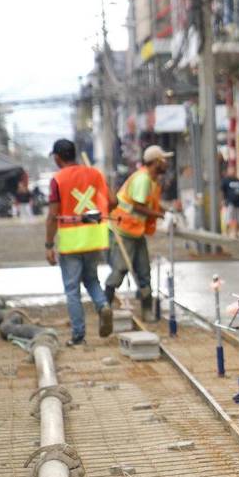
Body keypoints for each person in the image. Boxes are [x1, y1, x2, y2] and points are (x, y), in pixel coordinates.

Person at [44, 139, 113, 346]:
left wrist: (49, 245)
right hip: (94, 237)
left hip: (71, 241)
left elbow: (52, 215)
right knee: (91, 279)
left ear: (57, 157)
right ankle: (103, 305)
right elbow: (113, 201)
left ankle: (78, 336)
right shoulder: (95, 174)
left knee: (72, 289)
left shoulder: (58, 180)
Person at [106, 145, 168, 320]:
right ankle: (104, 306)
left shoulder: (152, 180)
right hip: (123, 229)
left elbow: (150, 204)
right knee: (120, 270)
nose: (166, 163)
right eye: (163, 160)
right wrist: (162, 215)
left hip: (135, 231)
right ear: (155, 162)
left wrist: (166, 210)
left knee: (144, 270)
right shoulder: (143, 179)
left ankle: (147, 310)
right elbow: (138, 207)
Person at [221, 166, 239, 237]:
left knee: (238, 219)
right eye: (231, 170)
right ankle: (226, 232)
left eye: (233, 170)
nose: (232, 171)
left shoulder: (238, 180)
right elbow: (222, 191)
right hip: (230, 202)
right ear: (228, 171)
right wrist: (223, 200)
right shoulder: (226, 180)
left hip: (238, 203)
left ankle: (236, 233)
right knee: (228, 218)